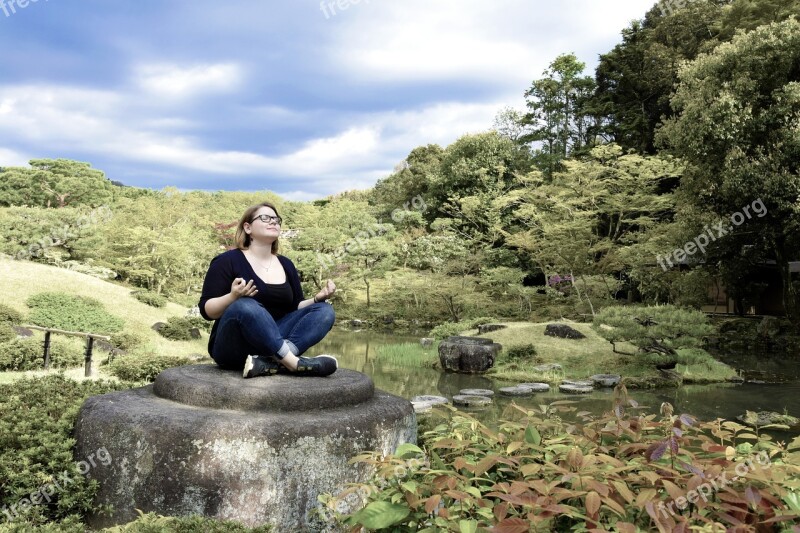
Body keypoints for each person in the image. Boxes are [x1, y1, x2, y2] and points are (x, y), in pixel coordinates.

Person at [199, 201, 338, 378]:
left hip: (274, 343)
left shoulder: (286, 264)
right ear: (248, 228)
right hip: (233, 346)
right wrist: (233, 296)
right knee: (245, 305)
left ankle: (271, 362)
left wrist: (317, 299)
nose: (273, 222)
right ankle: (293, 363)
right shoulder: (227, 261)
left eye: (276, 219)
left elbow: (294, 308)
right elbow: (207, 311)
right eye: (265, 218)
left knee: (325, 310)